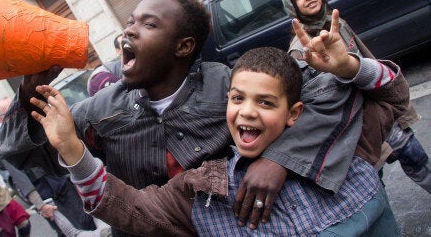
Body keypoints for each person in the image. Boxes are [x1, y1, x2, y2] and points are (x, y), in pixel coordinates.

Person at [0, 0, 391, 233]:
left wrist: (278, 160)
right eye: (130, 21)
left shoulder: (232, 87)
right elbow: (22, 154)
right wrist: (27, 95)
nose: (128, 30)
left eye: (148, 25)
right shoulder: (99, 110)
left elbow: (334, 92)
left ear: (183, 47)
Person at [29, 42, 406, 235]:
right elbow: (126, 207)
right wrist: (73, 150)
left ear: (294, 113)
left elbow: (392, 97)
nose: (247, 111)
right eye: (238, 98)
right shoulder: (204, 189)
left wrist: (349, 66)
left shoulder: (346, 146)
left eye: (266, 102)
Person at [281, 0, 431, 193]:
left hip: (382, 113)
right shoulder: (300, 50)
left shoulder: (337, 23)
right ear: (292, 6)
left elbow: (368, 59)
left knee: (416, 158)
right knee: (372, 185)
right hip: (358, 130)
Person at [0, 98, 111, 237]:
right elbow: (20, 179)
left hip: (62, 184)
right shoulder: (4, 145)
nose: (17, 115)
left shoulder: (29, 128)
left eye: (16, 109)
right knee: (70, 231)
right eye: (10, 113)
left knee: (88, 219)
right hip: (45, 196)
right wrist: (40, 205)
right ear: (1, 120)